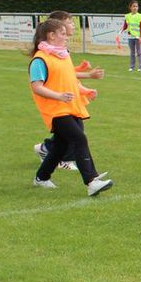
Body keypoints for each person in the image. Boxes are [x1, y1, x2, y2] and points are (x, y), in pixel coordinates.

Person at [28, 19, 113, 196]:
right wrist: (58, 96)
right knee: (79, 139)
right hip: (55, 111)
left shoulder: (63, 55)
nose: (67, 37)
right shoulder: (39, 60)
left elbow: (70, 79)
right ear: (51, 36)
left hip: (72, 107)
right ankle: (91, 181)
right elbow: (37, 86)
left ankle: (41, 178)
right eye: (63, 34)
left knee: (60, 147)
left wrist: (85, 90)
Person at [119, 0, 141, 72]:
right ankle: (132, 67)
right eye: (133, 6)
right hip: (130, 37)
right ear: (130, 7)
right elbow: (125, 26)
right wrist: (120, 31)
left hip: (137, 37)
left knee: (139, 52)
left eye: (136, 6)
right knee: (132, 53)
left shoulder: (140, 16)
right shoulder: (127, 16)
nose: (135, 8)